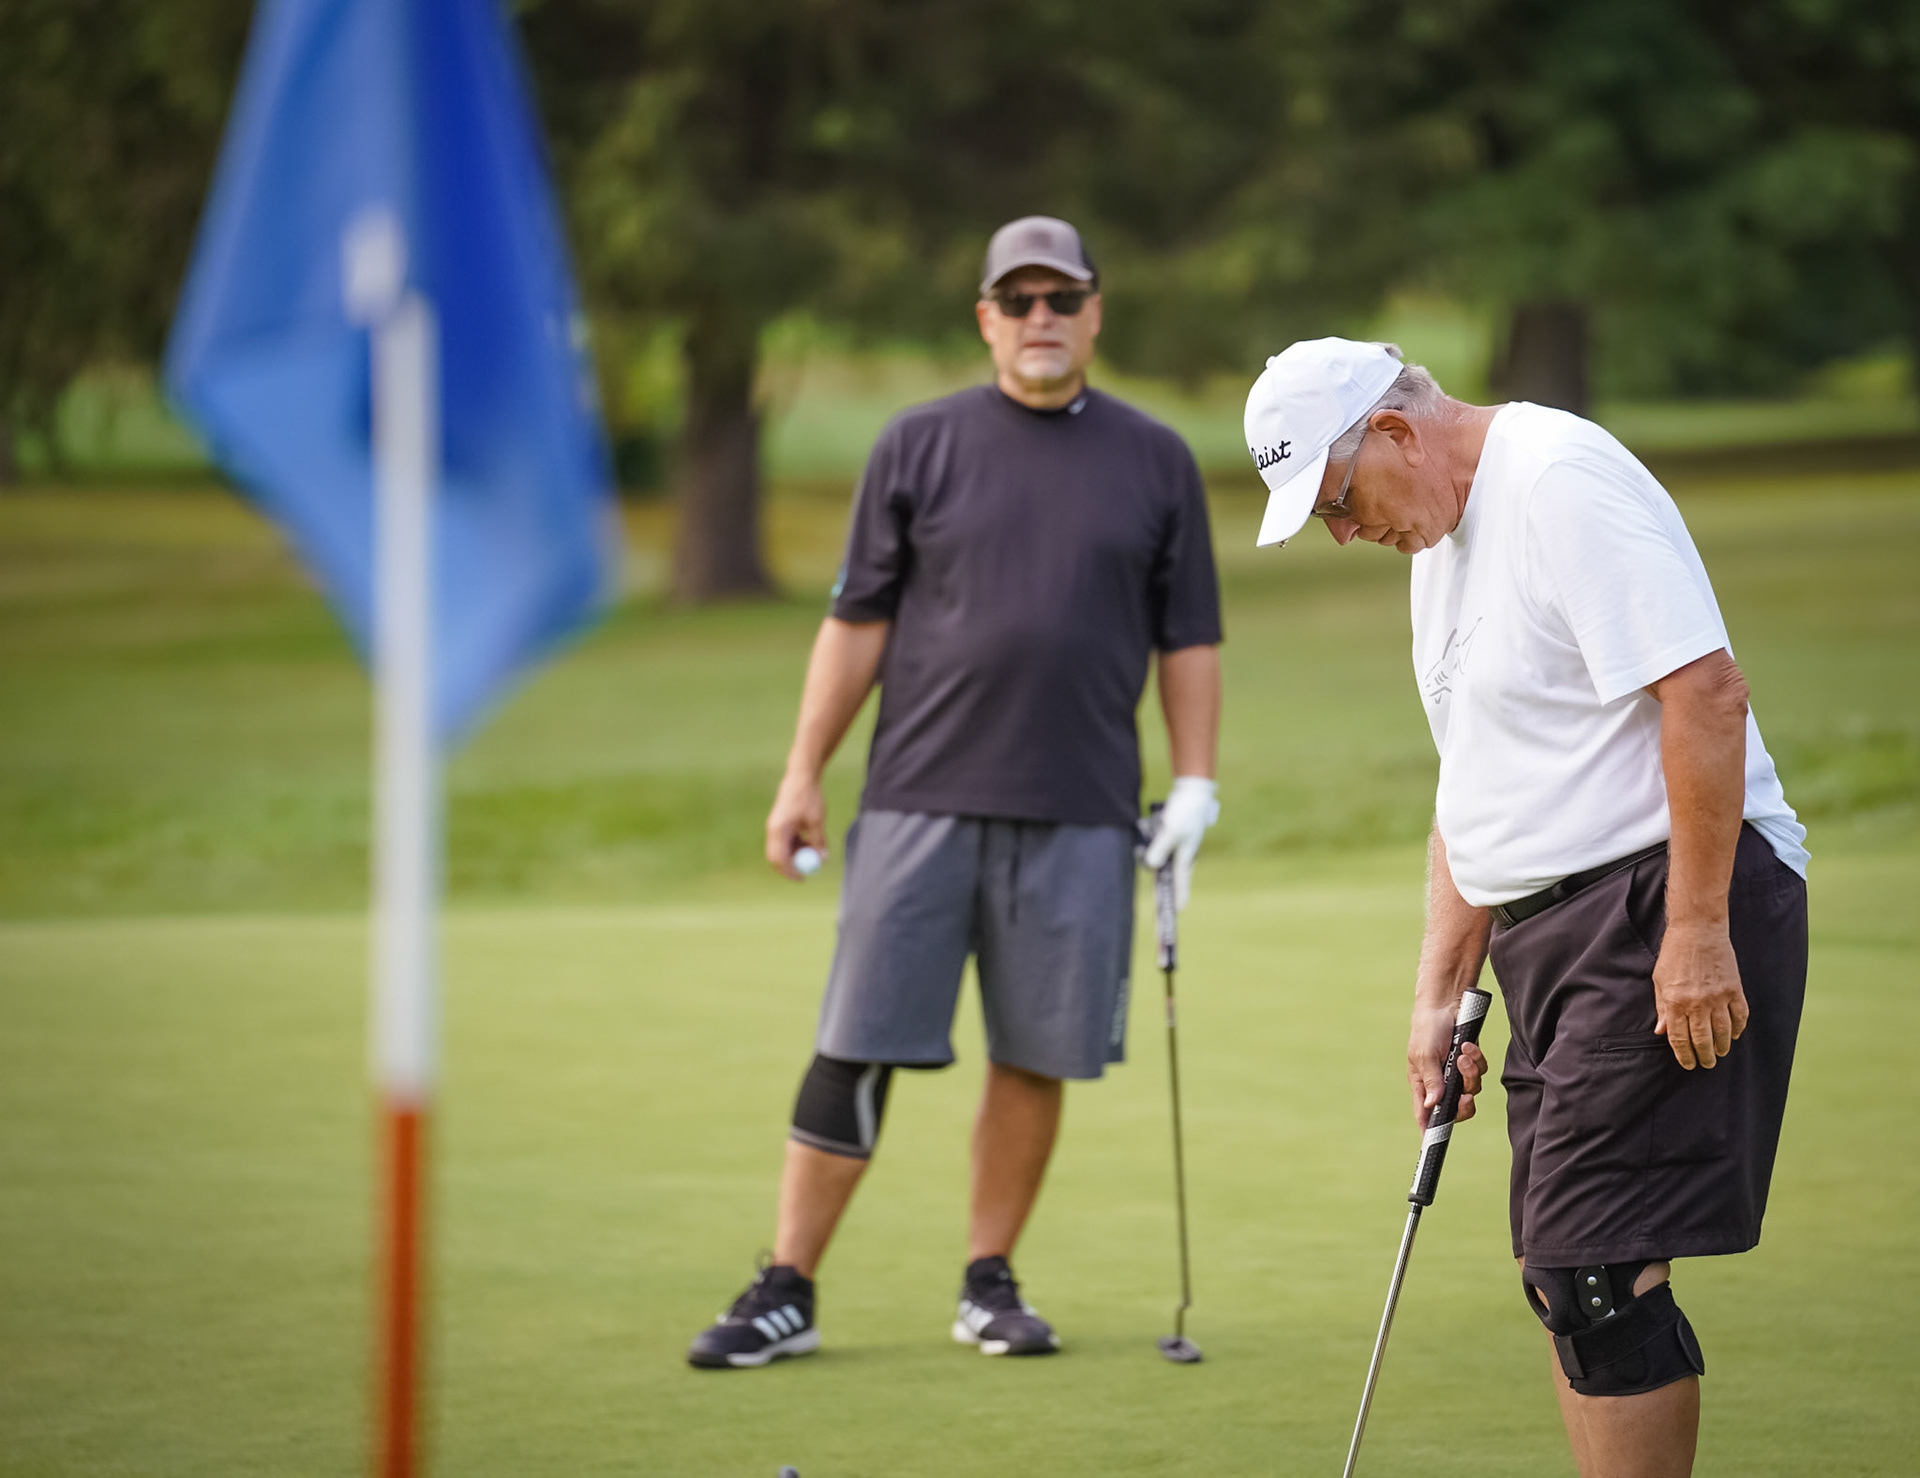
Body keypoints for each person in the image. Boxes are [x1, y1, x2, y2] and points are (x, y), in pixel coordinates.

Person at [1243, 339, 1808, 1477]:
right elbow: (1475, 788)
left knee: (1594, 1269)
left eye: (1339, 501)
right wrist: (1437, 996)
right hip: (1553, 933)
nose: (1344, 534)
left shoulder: (1556, 479)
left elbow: (1706, 692)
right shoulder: (1438, 546)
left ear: (1395, 432)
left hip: (1658, 897)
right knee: (1563, 1273)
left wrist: (1698, 929)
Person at [687, 216, 1224, 1370]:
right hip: (918, 797)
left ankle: (990, 1281)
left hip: (1082, 805)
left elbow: (1189, 636)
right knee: (856, 1040)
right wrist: (802, 771)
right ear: (986, 317)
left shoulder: (1156, 459)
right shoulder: (917, 444)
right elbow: (856, 622)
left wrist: (1195, 784)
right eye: (1018, 300)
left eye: (1061, 298)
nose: (1041, 318)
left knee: (1037, 1051)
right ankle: (788, 1285)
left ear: (1094, 312)